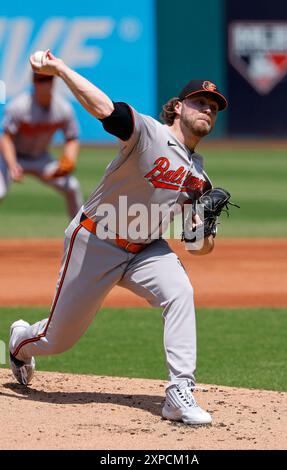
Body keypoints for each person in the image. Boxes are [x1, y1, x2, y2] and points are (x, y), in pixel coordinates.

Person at [9, 49, 228, 426]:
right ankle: (19, 342)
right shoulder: (147, 133)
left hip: (146, 250)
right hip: (95, 240)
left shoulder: (200, 177)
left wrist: (205, 226)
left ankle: (179, 392)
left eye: (213, 106)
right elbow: (106, 109)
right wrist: (59, 68)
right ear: (177, 107)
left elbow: (197, 247)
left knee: (180, 293)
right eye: (199, 102)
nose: (207, 109)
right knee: (58, 340)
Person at [0, 72, 83, 219]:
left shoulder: (63, 108)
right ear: (34, 82)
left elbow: (72, 138)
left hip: (40, 158)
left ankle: (79, 235)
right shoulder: (19, 106)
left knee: (72, 187)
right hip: (12, 157)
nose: (45, 84)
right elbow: (6, 138)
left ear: (54, 82)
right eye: (41, 80)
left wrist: (69, 160)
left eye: (49, 79)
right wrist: (12, 164)